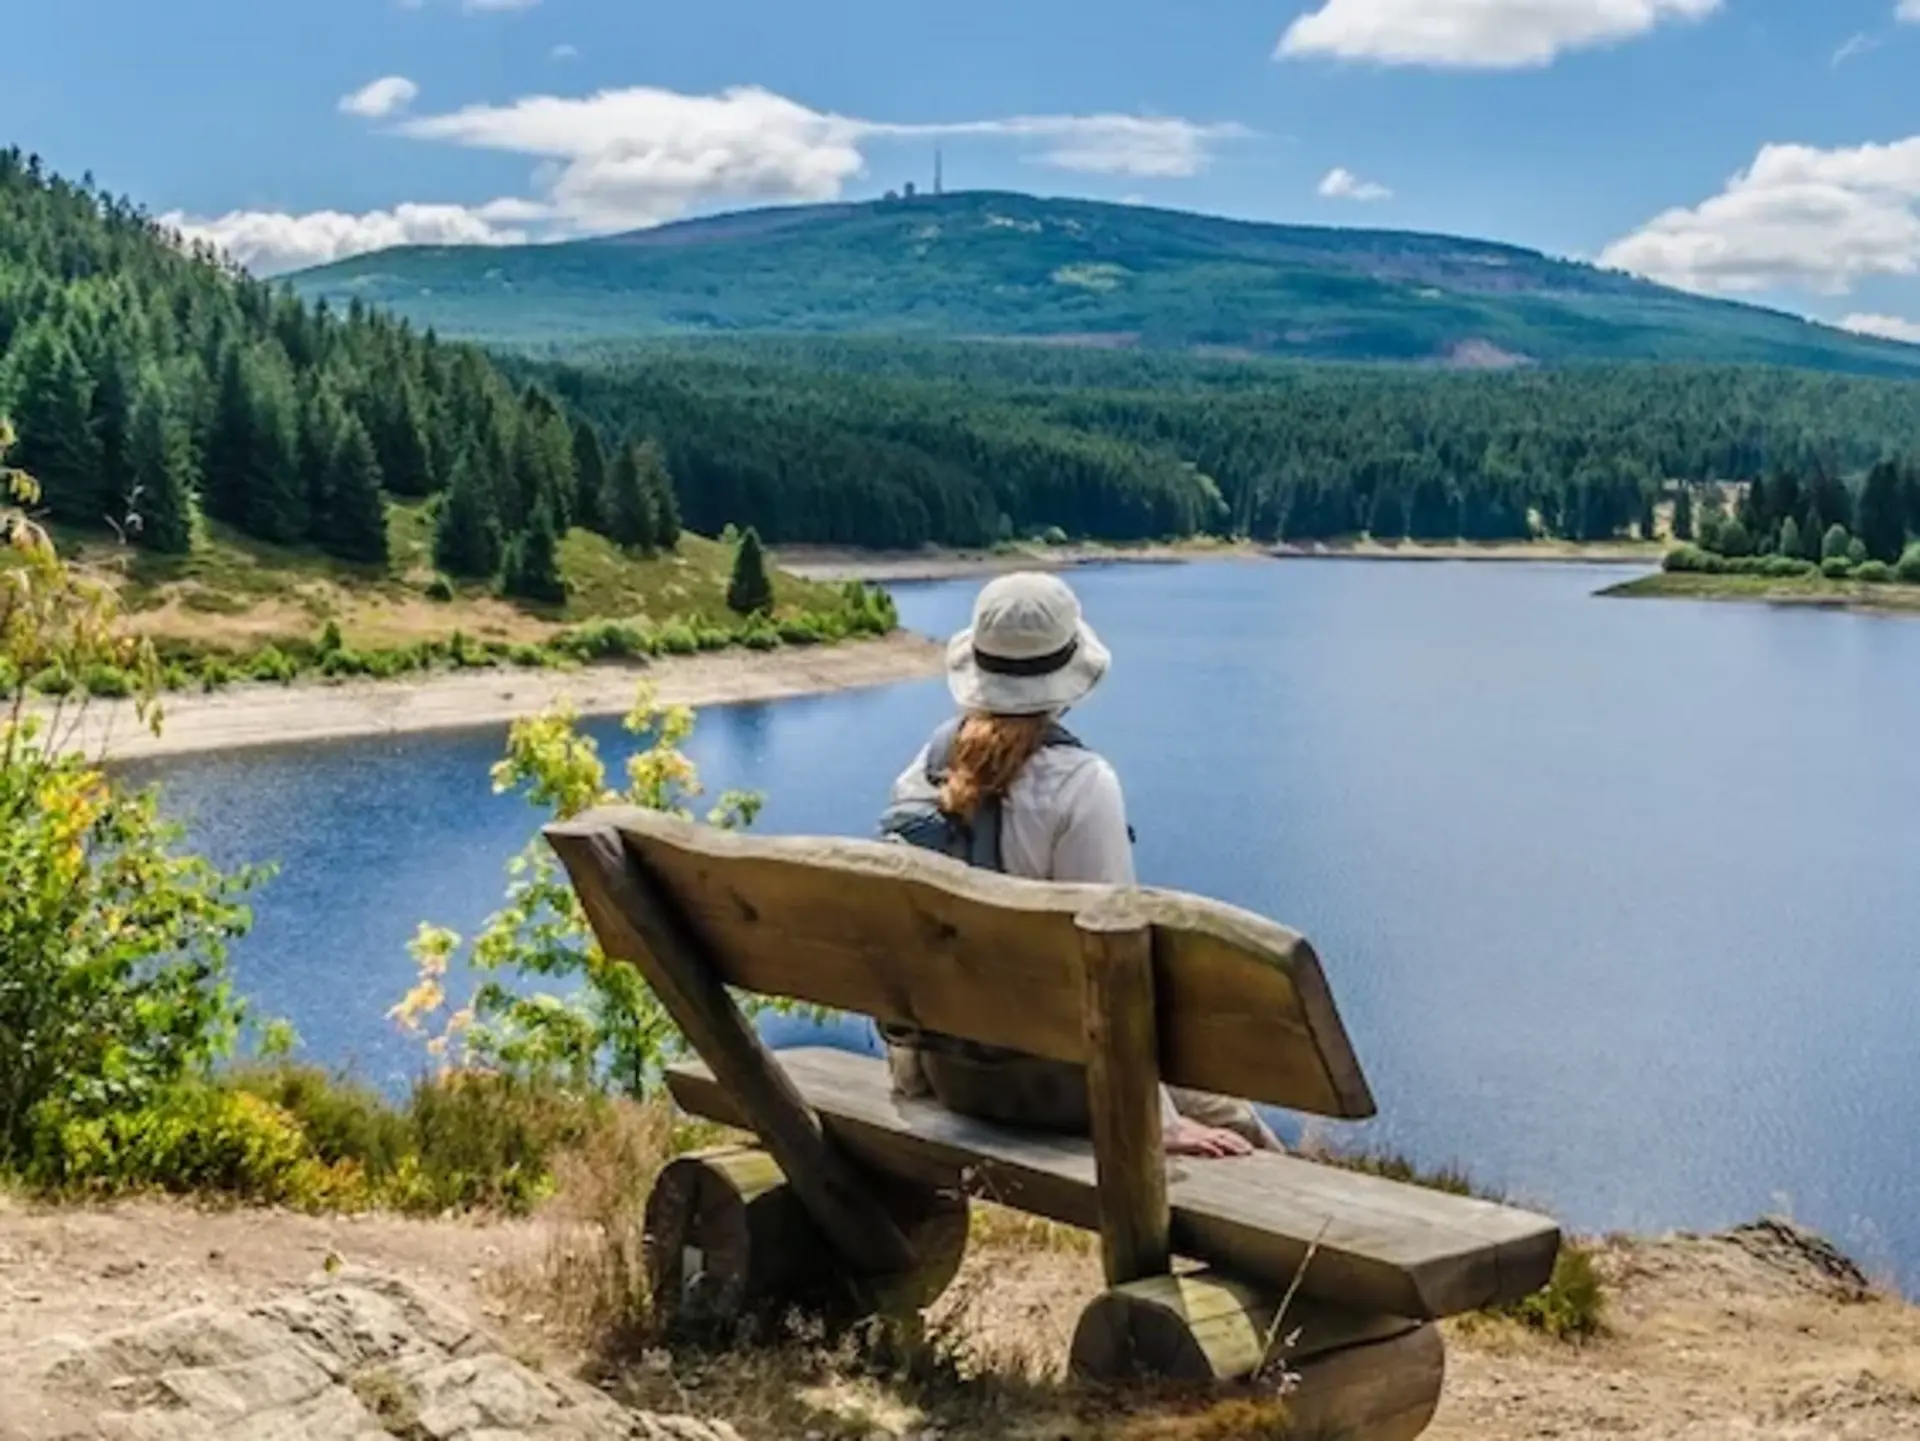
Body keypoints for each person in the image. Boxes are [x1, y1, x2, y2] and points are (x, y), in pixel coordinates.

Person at [879, 570, 1283, 1160]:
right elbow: (1115, 964)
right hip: (1050, 1086)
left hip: (942, 1073)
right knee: (1239, 1125)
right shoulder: (1081, 786)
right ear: (1067, 679)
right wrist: (1159, 1119)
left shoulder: (923, 774)